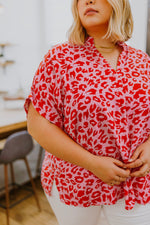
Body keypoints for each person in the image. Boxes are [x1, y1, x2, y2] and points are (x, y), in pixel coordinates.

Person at [24, 0, 150, 225]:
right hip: (75, 181)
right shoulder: (59, 59)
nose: (88, 1)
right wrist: (92, 163)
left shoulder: (142, 62)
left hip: (134, 181)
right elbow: (37, 124)